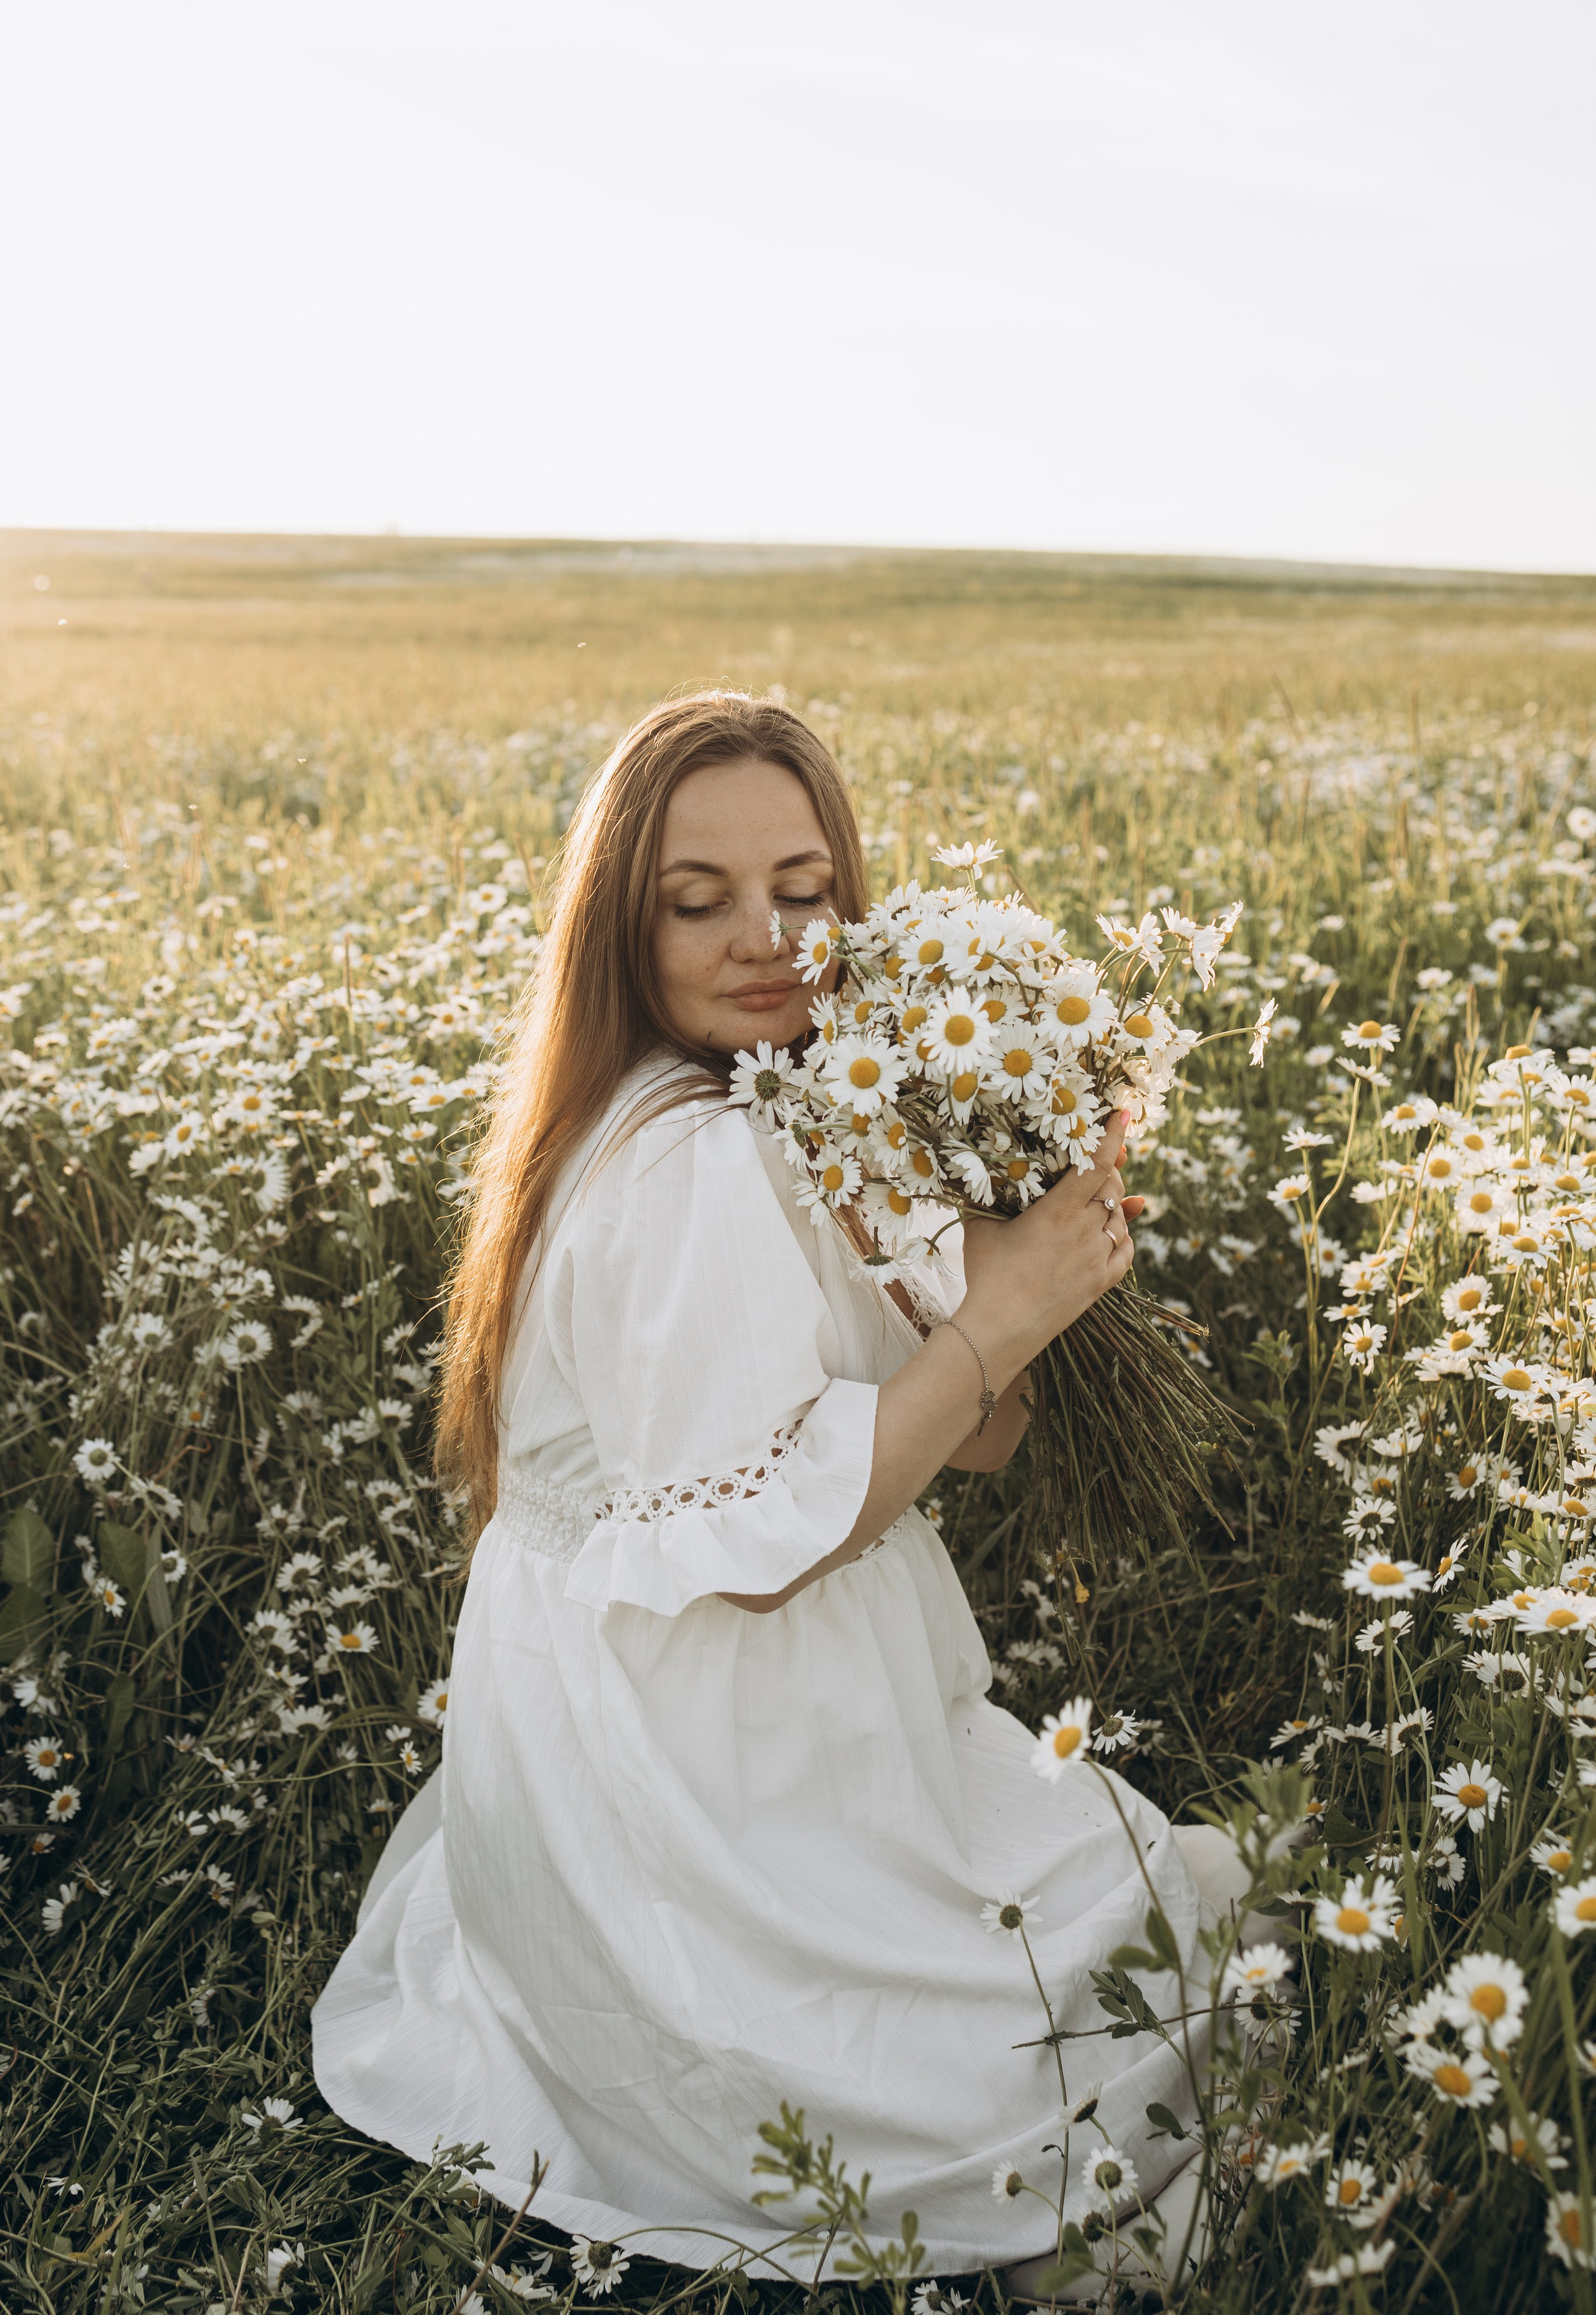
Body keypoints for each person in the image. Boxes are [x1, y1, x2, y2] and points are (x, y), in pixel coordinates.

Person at [310, 691, 1243, 2288]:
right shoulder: (686, 1163)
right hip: (701, 1761)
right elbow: (755, 1561)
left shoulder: (787, 1108)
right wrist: (1006, 1309)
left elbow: (983, 1435)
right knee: (1131, 1999)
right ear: (619, 924)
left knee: (1139, 1925)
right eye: (697, 901)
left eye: (803, 893)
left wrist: (991, 1190)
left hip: (674, 1715)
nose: (767, 940)